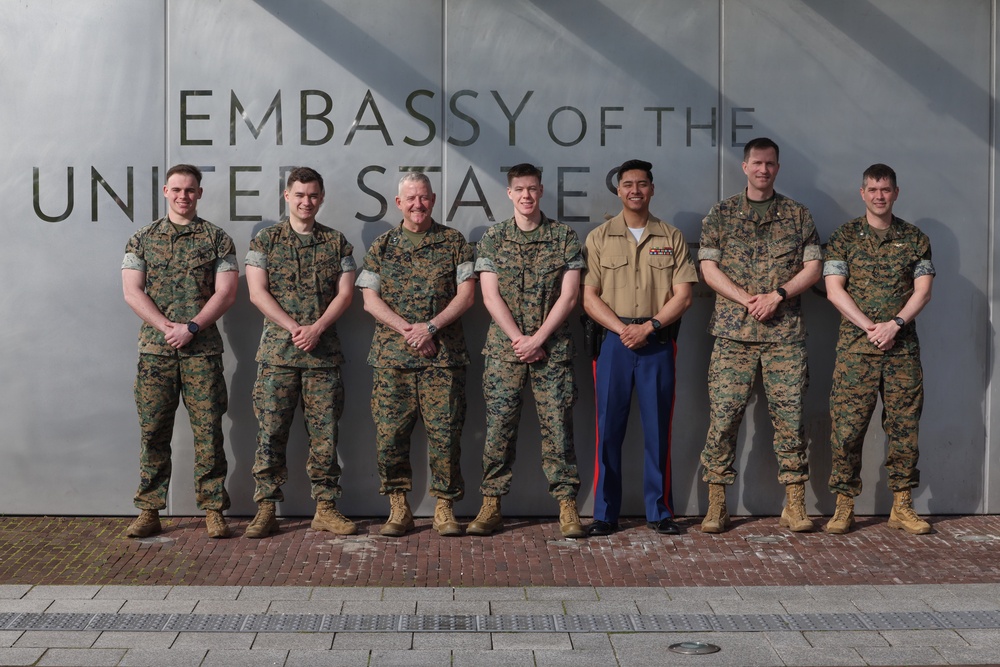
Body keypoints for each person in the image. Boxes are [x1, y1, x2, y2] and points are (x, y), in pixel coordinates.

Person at [697, 137, 822, 534]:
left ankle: (795, 504)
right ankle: (717, 505)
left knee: (790, 419)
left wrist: (778, 295)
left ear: (777, 168)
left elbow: (813, 268)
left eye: (770, 164)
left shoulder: (797, 215)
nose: (763, 170)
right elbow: (708, 268)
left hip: (783, 335)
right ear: (744, 166)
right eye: (756, 163)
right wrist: (746, 299)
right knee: (723, 418)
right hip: (734, 336)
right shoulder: (721, 213)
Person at [468, 163, 586, 538]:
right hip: (505, 353)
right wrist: (520, 338)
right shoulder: (493, 239)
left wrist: (538, 339)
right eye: (519, 189)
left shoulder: (564, 237)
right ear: (509, 193)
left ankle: (567, 506)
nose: (526, 196)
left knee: (558, 431)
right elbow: (489, 294)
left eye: (532, 189)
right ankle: (491, 504)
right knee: (499, 429)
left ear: (541, 191)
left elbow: (569, 297)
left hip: (552, 352)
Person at [582, 159, 698, 536]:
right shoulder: (599, 238)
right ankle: (604, 513)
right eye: (628, 184)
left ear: (651, 189)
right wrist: (621, 329)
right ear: (618, 190)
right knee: (608, 432)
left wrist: (649, 327)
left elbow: (683, 296)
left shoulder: (671, 237)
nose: (635, 190)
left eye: (642, 184)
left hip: (657, 345)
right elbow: (589, 297)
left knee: (658, 431)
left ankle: (660, 512)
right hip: (614, 345)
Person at [356, 172, 475, 537]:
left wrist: (431, 327)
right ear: (398, 203)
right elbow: (369, 299)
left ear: (433, 199)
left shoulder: (454, 242)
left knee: (446, 435)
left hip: (442, 358)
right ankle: (398, 508)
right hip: (393, 359)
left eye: (423, 198)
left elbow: (467, 295)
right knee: (390, 435)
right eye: (410, 199)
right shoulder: (382, 246)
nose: (417, 205)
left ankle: (444, 507)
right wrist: (409, 330)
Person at [121, 164, 236, 539]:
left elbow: (226, 293)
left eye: (190, 190)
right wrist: (165, 326)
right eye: (177, 190)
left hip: (201, 353)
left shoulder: (218, 239)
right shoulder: (142, 238)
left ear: (199, 193)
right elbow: (132, 291)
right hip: (156, 353)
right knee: (154, 431)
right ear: (166, 192)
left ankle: (214, 509)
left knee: (209, 432)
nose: (183, 196)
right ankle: (149, 510)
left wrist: (192, 327)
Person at [243, 167, 357, 538]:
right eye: (299, 195)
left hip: (322, 356)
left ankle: (325, 508)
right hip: (278, 355)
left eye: (313, 195)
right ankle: (265, 508)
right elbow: (257, 292)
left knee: (325, 435)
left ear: (321, 198)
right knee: (270, 432)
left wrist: (317, 328)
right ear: (287, 197)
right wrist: (294, 328)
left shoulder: (337, 242)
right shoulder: (266, 241)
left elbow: (345, 294)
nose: (306, 201)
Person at [823, 163, 935, 535]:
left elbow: (923, 290)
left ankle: (902, 505)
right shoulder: (844, 237)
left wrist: (895, 324)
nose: (879, 196)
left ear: (896, 193)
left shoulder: (915, 238)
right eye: (872, 189)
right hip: (857, 350)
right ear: (862, 193)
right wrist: (870, 326)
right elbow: (834, 289)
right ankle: (844, 506)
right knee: (847, 430)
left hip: (901, 351)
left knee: (905, 428)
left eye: (885, 189)